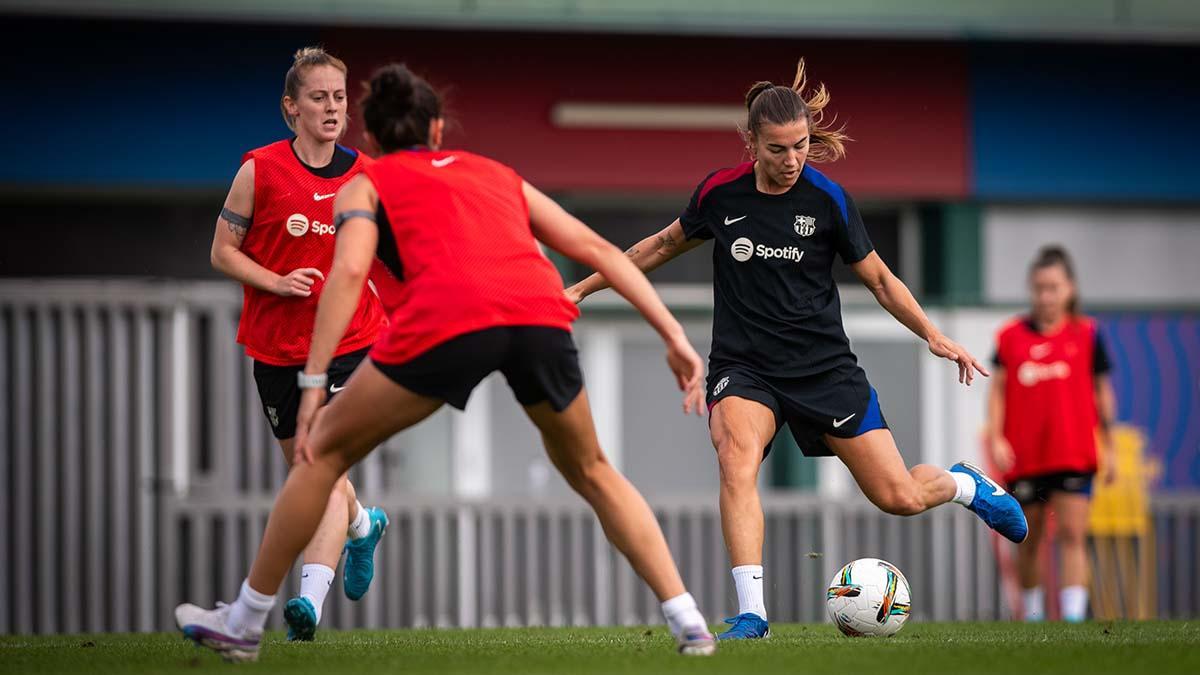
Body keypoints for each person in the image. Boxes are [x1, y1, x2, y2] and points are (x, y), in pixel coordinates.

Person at [175, 63, 718, 661]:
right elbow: (595, 250)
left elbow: (350, 272)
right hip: (538, 316)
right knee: (593, 469)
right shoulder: (496, 173)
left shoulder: (365, 184)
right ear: (437, 129)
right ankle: (689, 621)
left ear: (373, 141)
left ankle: (244, 622)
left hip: (449, 323)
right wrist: (673, 334)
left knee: (321, 453)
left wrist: (312, 384)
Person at [565, 59, 1028, 640]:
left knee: (900, 496)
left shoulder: (829, 200)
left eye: (801, 146)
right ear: (751, 142)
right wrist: (581, 288)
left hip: (824, 370)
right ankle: (753, 614)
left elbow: (881, 280)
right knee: (735, 458)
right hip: (744, 367)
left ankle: (965, 485)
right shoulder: (719, 193)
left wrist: (933, 335)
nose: (792, 160)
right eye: (778, 149)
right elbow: (659, 247)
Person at [208, 47, 389, 642]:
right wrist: (276, 282)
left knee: (322, 462)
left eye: (339, 97)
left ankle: (308, 603)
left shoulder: (364, 174)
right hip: (277, 350)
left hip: (353, 340)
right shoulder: (258, 170)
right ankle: (362, 527)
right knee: (311, 472)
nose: (332, 108)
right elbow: (222, 252)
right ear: (291, 107)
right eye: (319, 97)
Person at [987, 245, 1116, 622]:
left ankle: (1074, 620)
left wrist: (1109, 446)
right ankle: (1032, 617)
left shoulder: (1088, 334)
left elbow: (1102, 392)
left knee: (1074, 536)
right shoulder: (1010, 336)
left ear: (1070, 289)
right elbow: (997, 390)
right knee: (1027, 537)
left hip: (1073, 451)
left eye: (1053, 288)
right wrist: (997, 437)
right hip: (1026, 455)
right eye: (1039, 288)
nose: (1046, 296)